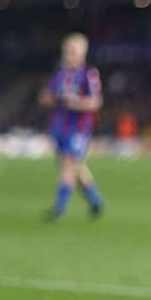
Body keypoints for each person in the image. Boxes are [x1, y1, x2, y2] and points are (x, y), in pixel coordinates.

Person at [38, 33, 104, 219]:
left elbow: (96, 102)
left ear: (82, 53)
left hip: (79, 129)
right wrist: (52, 99)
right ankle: (95, 200)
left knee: (68, 164)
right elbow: (45, 97)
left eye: (72, 51)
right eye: (66, 50)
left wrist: (74, 103)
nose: (68, 54)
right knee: (75, 168)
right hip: (59, 128)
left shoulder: (89, 74)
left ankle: (59, 208)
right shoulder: (60, 74)